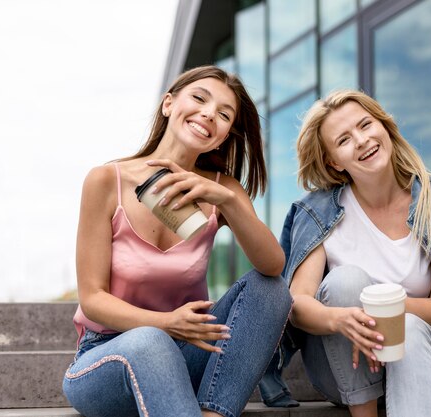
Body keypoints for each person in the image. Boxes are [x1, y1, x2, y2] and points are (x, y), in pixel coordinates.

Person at [260, 89, 431, 416]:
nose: (361, 140)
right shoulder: (318, 213)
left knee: (411, 327)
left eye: (365, 125)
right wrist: (341, 319)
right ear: (333, 161)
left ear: (384, 127)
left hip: (423, 359)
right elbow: (297, 304)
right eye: (344, 140)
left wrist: (385, 308)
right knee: (346, 282)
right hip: (341, 369)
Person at [62, 65, 292, 417]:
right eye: (199, 98)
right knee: (150, 340)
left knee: (271, 288)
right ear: (169, 104)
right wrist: (165, 323)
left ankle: (214, 413)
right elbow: (92, 299)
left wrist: (227, 200)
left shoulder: (223, 189)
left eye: (224, 114)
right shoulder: (107, 180)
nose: (208, 114)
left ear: (224, 134)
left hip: (189, 352)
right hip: (108, 356)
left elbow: (273, 265)